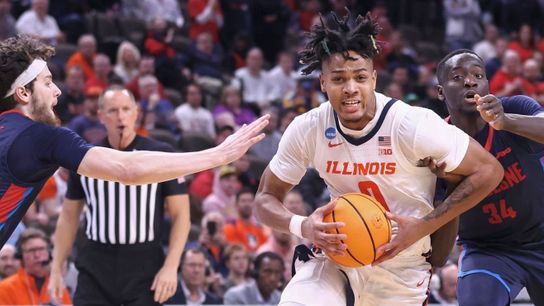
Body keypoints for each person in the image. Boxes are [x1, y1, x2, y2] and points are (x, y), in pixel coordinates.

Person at [253, 12, 503, 306]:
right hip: (339, 255)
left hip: (403, 266)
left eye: (359, 77)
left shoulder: (411, 124)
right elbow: (265, 198)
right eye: (338, 79)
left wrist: (422, 227)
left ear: (373, 78)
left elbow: (489, 170)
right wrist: (302, 225)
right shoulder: (308, 127)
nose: (350, 89)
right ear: (322, 82)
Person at [0, 35, 269, 249]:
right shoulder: (41, 137)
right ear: (23, 93)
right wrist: (219, 155)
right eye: (47, 83)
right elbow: (127, 169)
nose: (57, 90)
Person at [48, 86, 191, 305]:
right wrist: (57, 268)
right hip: (96, 263)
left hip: (145, 262)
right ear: (101, 116)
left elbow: (181, 215)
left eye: (126, 109)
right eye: (113, 110)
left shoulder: (161, 154)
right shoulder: (86, 158)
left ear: (136, 113)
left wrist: (171, 267)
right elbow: (68, 217)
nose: (120, 116)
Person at [435, 49, 544, 306]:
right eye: (457, 76)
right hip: (487, 250)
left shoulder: (515, 107)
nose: (470, 81)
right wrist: (452, 184)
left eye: (478, 75)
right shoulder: (437, 141)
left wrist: (505, 122)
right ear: (440, 92)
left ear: (487, 85)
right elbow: (439, 256)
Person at [0, 228, 72, 305]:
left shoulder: (57, 287)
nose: (37, 255)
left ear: (49, 253)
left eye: (41, 249)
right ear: (20, 255)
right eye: (31, 250)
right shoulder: (5, 288)